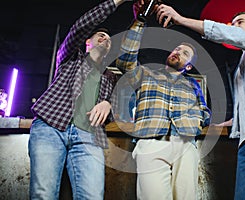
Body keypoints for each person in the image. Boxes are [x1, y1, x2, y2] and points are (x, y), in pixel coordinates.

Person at [155, 4, 245, 200]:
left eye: (240, 22)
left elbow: (230, 34)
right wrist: (229, 124)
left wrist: (180, 19)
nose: (233, 26)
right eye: (231, 24)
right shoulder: (241, 67)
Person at [28, 0, 129, 199]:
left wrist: (108, 103)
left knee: (92, 196)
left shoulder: (110, 76)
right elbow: (79, 27)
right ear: (87, 42)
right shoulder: (69, 58)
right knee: (43, 195)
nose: (105, 38)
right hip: (51, 127)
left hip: (89, 136)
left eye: (108, 39)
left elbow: (115, 106)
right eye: (100, 35)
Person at [115, 2, 211, 199]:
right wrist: (140, 21)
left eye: (185, 53)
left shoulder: (193, 85)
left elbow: (205, 111)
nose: (178, 52)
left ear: (189, 66)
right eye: (177, 49)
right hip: (151, 143)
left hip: (185, 144)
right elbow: (124, 60)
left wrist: (196, 123)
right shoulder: (146, 74)